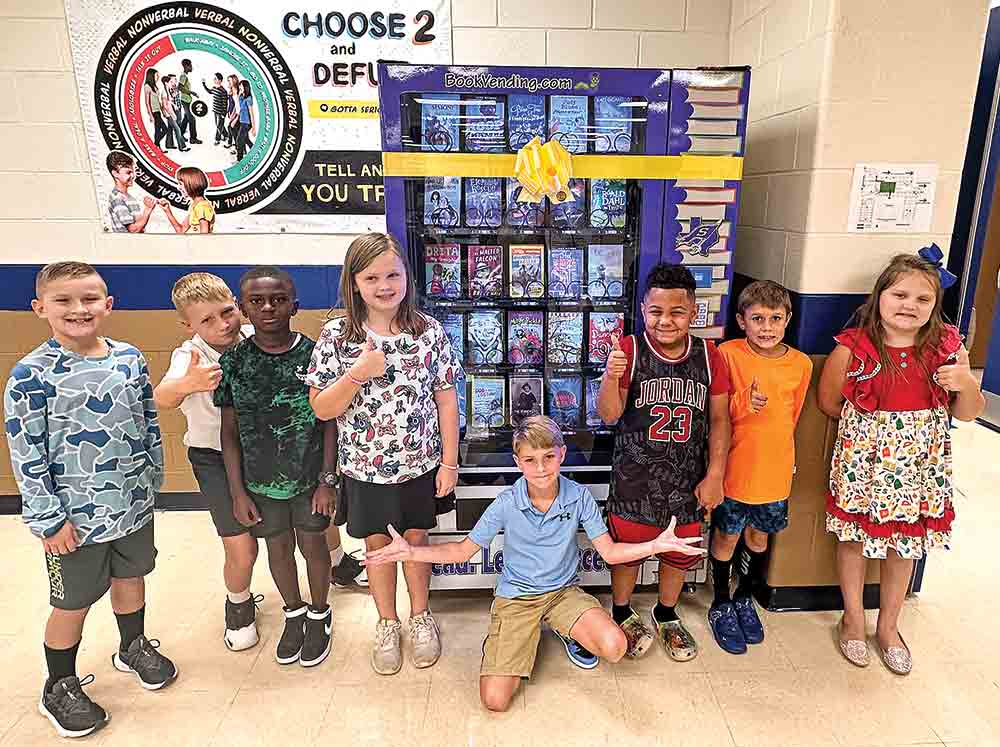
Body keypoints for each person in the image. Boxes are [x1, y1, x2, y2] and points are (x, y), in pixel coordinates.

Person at [364, 416, 706, 711]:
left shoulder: (578, 496)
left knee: (616, 648)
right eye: (530, 460)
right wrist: (411, 552)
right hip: (517, 599)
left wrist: (655, 545)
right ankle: (507, 639)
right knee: (495, 700)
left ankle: (561, 626)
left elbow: (611, 553)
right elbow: (461, 552)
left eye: (548, 457)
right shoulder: (506, 502)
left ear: (561, 455)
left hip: (563, 594)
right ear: (518, 462)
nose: (540, 468)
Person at [3, 262, 177, 738]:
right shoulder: (30, 375)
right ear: (40, 308)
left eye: (90, 299)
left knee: (132, 577)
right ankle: (58, 685)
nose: (79, 309)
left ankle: (133, 646)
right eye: (63, 301)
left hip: (133, 504)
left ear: (108, 304)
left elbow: (147, 419)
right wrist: (46, 518)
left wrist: (151, 478)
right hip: (72, 520)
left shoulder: (129, 357)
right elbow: (26, 452)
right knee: (72, 603)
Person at [818, 251, 984, 675]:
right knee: (853, 539)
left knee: (903, 545)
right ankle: (853, 619)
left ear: (935, 305)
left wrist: (965, 381)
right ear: (880, 296)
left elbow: (967, 412)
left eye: (922, 299)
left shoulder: (948, 347)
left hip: (919, 470)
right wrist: (874, 433)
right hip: (864, 465)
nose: (909, 305)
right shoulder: (853, 346)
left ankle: (889, 626)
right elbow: (829, 402)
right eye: (900, 294)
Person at [307, 232, 460, 676]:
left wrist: (449, 462)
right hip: (365, 468)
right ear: (354, 283)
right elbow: (322, 407)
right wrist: (358, 373)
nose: (385, 285)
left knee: (416, 542)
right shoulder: (338, 335)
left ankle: (420, 616)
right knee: (376, 546)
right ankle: (387, 622)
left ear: (407, 277)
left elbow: (446, 398)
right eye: (372, 277)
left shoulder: (427, 332)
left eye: (393, 274)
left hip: (420, 463)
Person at [596, 262, 731, 663]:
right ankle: (622, 609)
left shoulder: (711, 356)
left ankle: (666, 612)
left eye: (676, 312)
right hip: (634, 479)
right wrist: (608, 377)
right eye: (656, 311)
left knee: (679, 550)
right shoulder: (629, 349)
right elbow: (608, 415)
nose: (665, 321)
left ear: (693, 312)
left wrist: (716, 473)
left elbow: (721, 419)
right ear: (642, 310)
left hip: (689, 480)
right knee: (630, 551)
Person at [215, 266, 337, 668]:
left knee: (313, 545)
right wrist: (237, 491)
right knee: (278, 548)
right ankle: (294, 613)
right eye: (257, 301)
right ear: (242, 308)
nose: (268, 307)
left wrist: (327, 480)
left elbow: (330, 422)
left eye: (279, 299)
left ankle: (320, 614)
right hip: (260, 484)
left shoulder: (316, 354)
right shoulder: (234, 361)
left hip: (308, 479)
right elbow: (229, 433)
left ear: (295, 306)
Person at [153, 273, 261, 651]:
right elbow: (162, 397)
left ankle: (336, 563)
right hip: (213, 458)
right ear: (188, 325)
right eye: (207, 320)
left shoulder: (253, 338)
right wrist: (189, 384)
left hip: (262, 452)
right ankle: (239, 604)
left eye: (227, 311)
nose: (223, 324)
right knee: (241, 546)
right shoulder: (190, 356)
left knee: (310, 519)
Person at [709, 280, 812, 654]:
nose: (766, 327)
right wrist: (744, 402)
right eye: (757, 319)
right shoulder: (728, 353)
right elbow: (715, 411)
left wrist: (787, 458)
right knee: (727, 537)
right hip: (736, 468)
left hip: (775, 471)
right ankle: (721, 600)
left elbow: (793, 415)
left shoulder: (800, 364)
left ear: (787, 320)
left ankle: (744, 596)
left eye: (775, 318)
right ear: (741, 320)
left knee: (758, 537)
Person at [106, 151, 155, 234]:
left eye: (133, 172)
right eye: (128, 172)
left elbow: (140, 226)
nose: (133, 176)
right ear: (115, 174)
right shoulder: (116, 197)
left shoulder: (129, 198)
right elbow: (133, 230)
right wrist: (148, 209)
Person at [161, 166, 215, 234]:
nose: (179, 188)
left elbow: (204, 236)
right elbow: (181, 230)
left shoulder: (202, 206)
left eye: (181, 184)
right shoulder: (194, 206)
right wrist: (167, 210)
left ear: (191, 184)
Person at [159, 75, 188, 152]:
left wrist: (174, 105)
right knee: (177, 129)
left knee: (175, 128)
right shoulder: (165, 91)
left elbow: (169, 101)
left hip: (172, 111)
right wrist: (172, 114)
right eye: (170, 81)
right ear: (166, 83)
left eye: (174, 80)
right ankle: (182, 147)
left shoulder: (167, 90)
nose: (172, 82)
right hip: (169, 113)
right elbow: (164, 105)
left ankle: (172, 144)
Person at [177, 58, 202, 145]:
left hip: (187, 100)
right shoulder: (183, 76)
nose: (191, 67)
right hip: (184, 101)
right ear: (186, 66)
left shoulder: (185, 76)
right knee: (192, 119)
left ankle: (179, 134)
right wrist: (192, 92)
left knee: (186, 118)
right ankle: (193, 138)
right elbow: (179, 87)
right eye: (190, 65)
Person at [202, 73, 231, 147]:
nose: (214, 80)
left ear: (220, 80)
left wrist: (224, 114)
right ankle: (226, 135)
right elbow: (209, 91)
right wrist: (204, 84)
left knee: (219, 125)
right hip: (215, 110)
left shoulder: (223, 91)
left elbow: (225, 103)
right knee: (218, 125)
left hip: (221, 112)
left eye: (215, 78)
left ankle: (217, 139)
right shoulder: (214, 88)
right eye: (214, 78)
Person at [144, 68, 167, 150]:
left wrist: (163, 111)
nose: (158, 77)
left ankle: (157, 146)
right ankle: (155, 145)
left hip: (158, 111)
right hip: (154, 112)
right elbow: (147, 102)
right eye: (156, 75)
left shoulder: (155, 86)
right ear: (151, 76)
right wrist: (150, 115)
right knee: (164, 129)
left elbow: (158, 101)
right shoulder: (147, 86)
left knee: (158, 130)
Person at [235, 80, 256, 161]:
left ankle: (239, 159)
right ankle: (255, 151)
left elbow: (252, 114)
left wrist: (254, 128)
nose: (240, 87)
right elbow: (238, 107)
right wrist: (239, 94)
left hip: (246, 123)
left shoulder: (248, 98)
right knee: (246, 140)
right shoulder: (241, 97)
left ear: (246, 87)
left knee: (239, 141)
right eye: (239, 86)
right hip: (241, 121)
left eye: (241, 86)